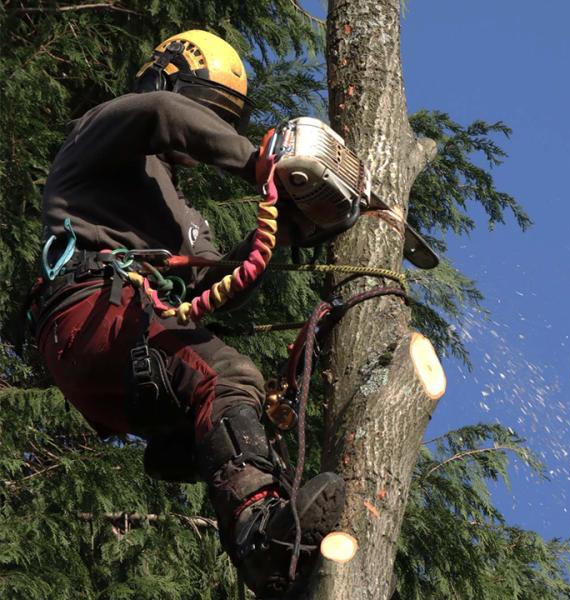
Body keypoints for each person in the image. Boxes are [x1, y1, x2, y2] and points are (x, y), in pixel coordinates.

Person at [34, 29, 344, 597]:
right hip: (91, 312)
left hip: (117, 348)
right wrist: (259, 162)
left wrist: (275, 236)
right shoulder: (109, 127)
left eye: (223, 115)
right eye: (207, 107)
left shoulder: (184, 216)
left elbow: (213, 288)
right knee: (230, 374)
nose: (206, 122)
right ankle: (257, 534)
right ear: (168, 77)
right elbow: (161, 113)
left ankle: (285, 557)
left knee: (230, 395)